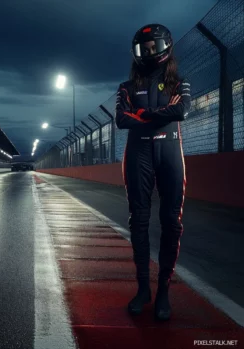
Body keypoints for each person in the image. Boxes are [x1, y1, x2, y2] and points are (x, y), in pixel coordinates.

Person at [115, 24, 191, 321]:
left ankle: (163, 293)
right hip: (138, 156)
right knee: (139, 222)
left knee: (171, 222)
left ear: (164, 47)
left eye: (152, 47)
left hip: (170, 154)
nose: (147, 53)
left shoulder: (179, 83)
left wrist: (144, 115)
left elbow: (181, 111)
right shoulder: (126, 86)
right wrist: (159, 116)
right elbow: (121, 119)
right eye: (141, 49)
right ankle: (143, 289)